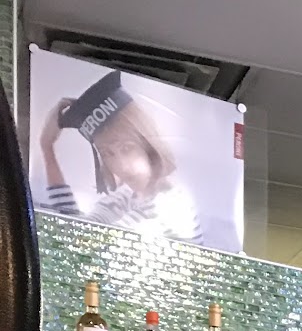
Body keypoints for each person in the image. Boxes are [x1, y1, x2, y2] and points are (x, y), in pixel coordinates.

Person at [37, 71, 203, 242]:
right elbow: (77, 230)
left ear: (146, 141)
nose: (121, 165)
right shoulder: (128, 196)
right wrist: (47, 146)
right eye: (107, 153)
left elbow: (82, 245)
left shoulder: (170, 205)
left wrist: (47, 147)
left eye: (127, 148)